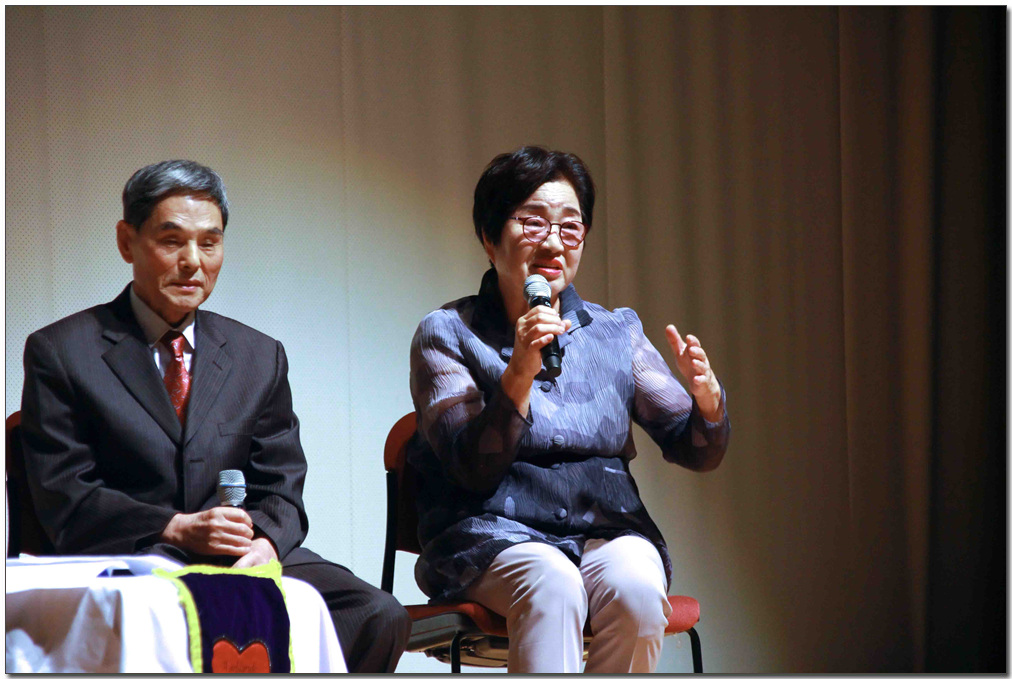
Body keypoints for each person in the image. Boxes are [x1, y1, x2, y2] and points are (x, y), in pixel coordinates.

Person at [19, 159, 411, 673]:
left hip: (235, 554)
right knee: (174, 609)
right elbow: (65, 493)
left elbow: (282, 484)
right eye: (171, 241)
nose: (192, 262)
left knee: (376, 613)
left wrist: (267, 542)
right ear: (126, 242)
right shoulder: (62, 351)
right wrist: (176, 527)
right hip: (132, 552)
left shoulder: (258, 355)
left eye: (209, 243)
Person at [408, 146, 731, 673]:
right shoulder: (446, 334)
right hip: (491, 535)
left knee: (636, 588)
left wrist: (708, 403)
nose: (554, 243)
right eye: (533, 222)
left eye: (570, 228)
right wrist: (518, 373)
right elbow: (471, 467)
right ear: (489, 238)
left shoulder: (616, 332)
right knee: (553, 582)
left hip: (608, 531)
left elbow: (694, 449)